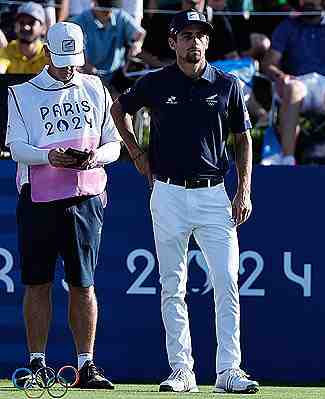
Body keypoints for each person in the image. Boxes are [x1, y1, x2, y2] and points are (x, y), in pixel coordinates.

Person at [110, 9, 259, 394]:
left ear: (208, 41)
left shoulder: (227, 85)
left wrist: (243, 190)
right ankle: (182, 371)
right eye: (186, 35)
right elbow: (118, 109)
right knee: (172, 285)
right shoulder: (156, 83)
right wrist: (138, 155)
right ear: (173, 41)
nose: (194, 42)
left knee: (227, 281)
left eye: (200, 35)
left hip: (214, 195)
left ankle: (229, 372)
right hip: (168, 193)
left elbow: (243, 139)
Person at [5, 21, 121, 389]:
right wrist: (48, 155)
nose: (69, 66)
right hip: (38, 199)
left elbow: (114, 144)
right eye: (61, 59)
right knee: (37, 283)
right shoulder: (22, 93)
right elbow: (15, 147)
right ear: (48, 53)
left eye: (73, 59)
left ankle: (86, 366)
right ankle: (37, 364)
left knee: (83, 284)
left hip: (85, 198)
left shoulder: (96, 87)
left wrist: (95, 156)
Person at [262, 0, 325, 166]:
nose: (309, 1)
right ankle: (287, 159)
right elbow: (269, 62)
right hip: (297, 82)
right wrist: (279, 76)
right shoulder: (287, 26)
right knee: (292, 87)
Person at [71, 0, 145, 94]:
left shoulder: (120, 16)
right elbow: (73, 50)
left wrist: (136, 44)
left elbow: (140, 33)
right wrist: (85, 66)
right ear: (94, 3)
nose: (108, 12)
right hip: (89, 75)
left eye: (111, 8)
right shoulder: (79, 21)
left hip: (117, 74)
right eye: (104, 9)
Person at [0, 2, 47, 74]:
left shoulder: (47, 54)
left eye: (31, 23)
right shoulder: (7, 50)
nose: (26, 27)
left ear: (43, 28)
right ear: (15, 25)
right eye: (21, 22)